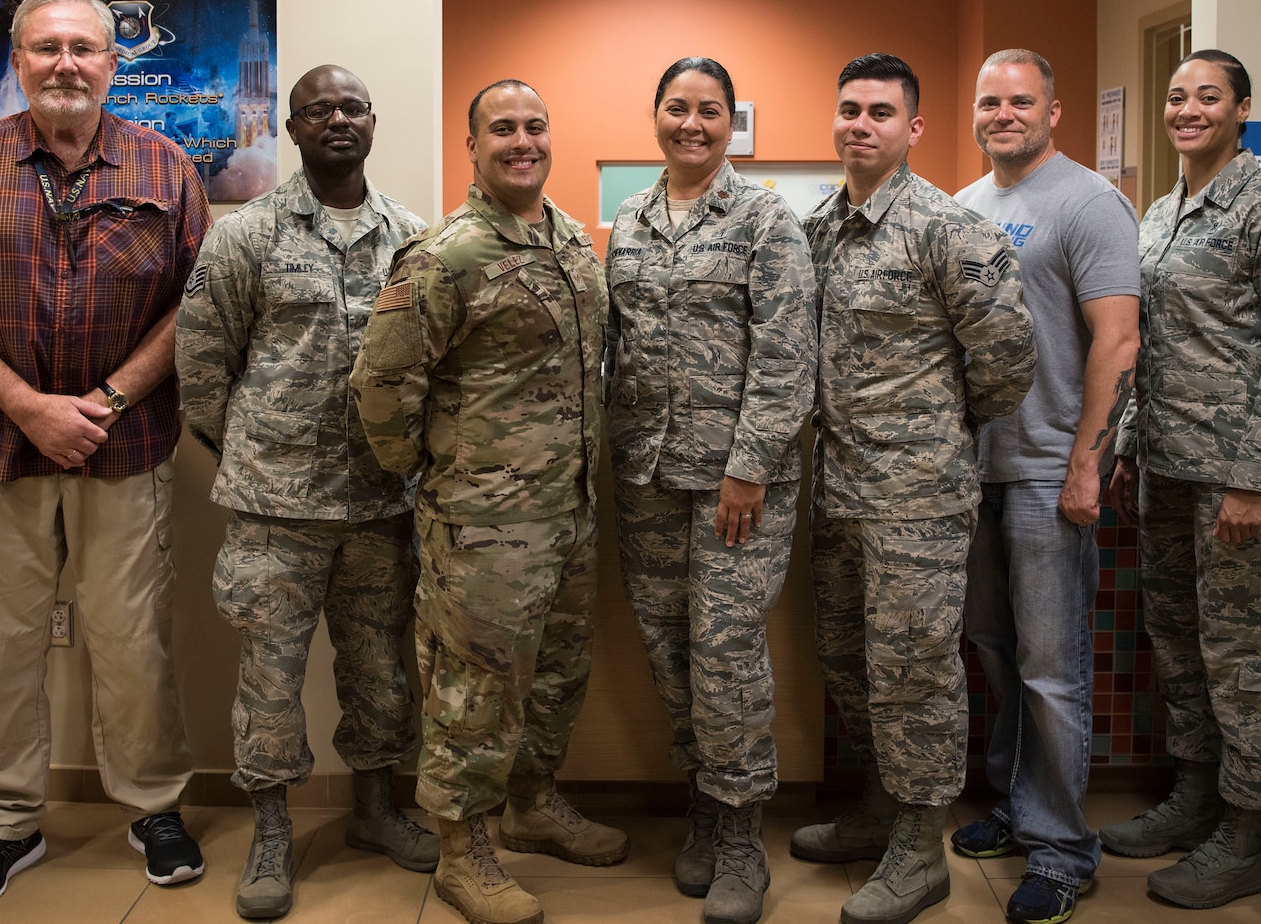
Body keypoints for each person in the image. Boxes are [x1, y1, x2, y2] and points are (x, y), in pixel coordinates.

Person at [0, 0, 211, 910]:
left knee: (133, 641)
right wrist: (29, 406)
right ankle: (3, 823)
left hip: (127, 443)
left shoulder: (165, 162)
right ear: (17, 61)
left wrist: (104, 400)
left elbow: (198, 302)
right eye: (45, 48)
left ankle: (152, 809)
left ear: (115, 62)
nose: (65, 63)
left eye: (83, 47)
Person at [352, 79, 627, 924]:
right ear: (471, 145)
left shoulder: (572, 239)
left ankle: (533, 803)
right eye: (501, 128)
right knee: (474, 689)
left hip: (568, 512)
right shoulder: (446, 254)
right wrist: (441, 480)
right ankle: (462, 852)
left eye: (535, 125)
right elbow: (380, 385)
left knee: (554, 675)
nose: (522, 140)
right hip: (483, 526)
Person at [175, 65, 435, 920]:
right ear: (291, 128)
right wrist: (259, 450)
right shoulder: (246, 233)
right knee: (270, 677)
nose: (337, 120)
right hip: (275, 507)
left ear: (373, 121)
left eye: (353, 106)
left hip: (380, 503)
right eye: (318, 109)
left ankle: (373, 809)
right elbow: (203, 369)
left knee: (379, 670)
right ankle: (273, 828)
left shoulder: (413, 237)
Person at [792, 54, 1036, 924]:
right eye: (850, 108)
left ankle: (920, 847)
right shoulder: (818, 227)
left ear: (913, 128)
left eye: (881, 112)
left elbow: (1008, 361)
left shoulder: (948, 228)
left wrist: (934, 431)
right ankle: (877, 808)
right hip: (839, 493)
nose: (862, 124)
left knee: (915, 672)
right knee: (848, 662)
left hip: (918, 501)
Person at [1101, 49, 1261, 910]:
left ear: (1243, 109)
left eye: (1207, 97)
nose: (1187, 110)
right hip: (1168, 466)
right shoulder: (1162, 212)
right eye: (1176, 97)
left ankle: (1243, 832)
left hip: (1242, 479)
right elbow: (1143, 344)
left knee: (1246, 657)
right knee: (1181, 644)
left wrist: (1252, 479)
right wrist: (1126, 445)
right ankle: (1194, 796)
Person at [606, 58, 817, 924]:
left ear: (733, 121)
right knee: (669, 647)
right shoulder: (629, 218)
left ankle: (741, 832)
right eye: (676, 108)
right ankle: (703, 798)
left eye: (709, 111)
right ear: (655, 114)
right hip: (648, 475)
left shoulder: (767, 218)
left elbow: (787, 353)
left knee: (727, 655)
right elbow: (617, 342)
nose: (691, 123)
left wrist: (749, 465)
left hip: (737, 485)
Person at [952, 50, 1140, 924]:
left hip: (1045, 467)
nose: (1003, 113)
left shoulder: (1088, 201)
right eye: (990, 101)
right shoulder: (964, 205)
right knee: (993, 647)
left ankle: (1064, 848)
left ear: (1054, 111)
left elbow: (1118, 339)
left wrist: (1084, 462)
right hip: (975, 469)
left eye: (1020, 100)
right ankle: (1021, 806)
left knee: (1052, 666)